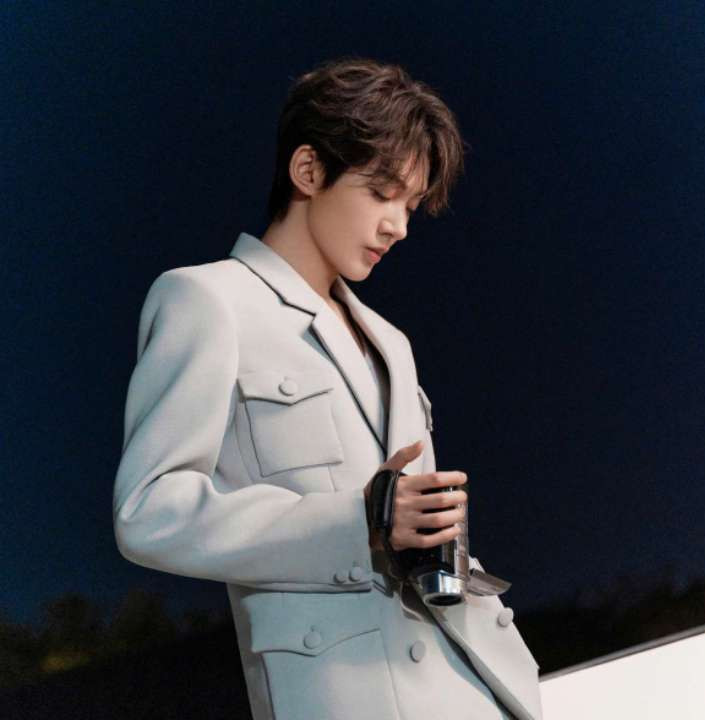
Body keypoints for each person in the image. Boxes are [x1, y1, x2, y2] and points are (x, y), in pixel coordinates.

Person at [113, 56, 543, 720]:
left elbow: (414, 522)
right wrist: (360, 521)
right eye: (382, 192)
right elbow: (148, 512)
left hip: (474, 685)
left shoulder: (392, 343)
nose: (399, 225)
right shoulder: (207, 300)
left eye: (410, 205)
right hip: (347, 695)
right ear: (309, 171)